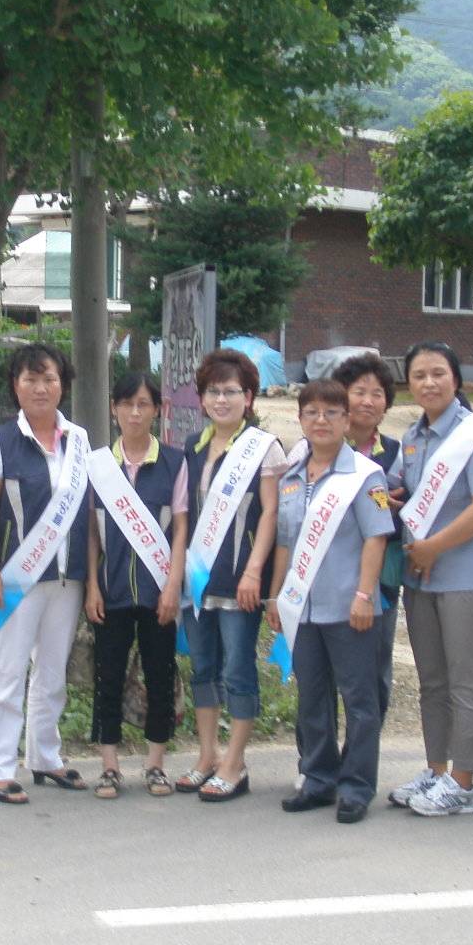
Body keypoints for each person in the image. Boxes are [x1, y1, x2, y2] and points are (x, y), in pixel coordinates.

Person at [269, 380, 397, 824]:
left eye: (331, 413)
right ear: (301, 420)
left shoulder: (365, 475)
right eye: (312, 413)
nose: (320, 421)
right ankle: (318, 778)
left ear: (346, 420)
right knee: (312, 698)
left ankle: (356, 786)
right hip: (302, 608)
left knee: (360, 699)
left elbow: (376, 537)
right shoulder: (291, 477)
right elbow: (285, 543)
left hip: (349, 607)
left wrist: (364, 595)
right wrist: (276, 594)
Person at [384, 341, 473, 820]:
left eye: (438, 373)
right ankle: (437, 771)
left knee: (465, 682)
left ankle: (465, 783)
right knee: (432, 682)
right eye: (419, 375)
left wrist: (433, 546)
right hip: (420, 579)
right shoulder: (412, 437)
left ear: (456, 378)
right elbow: (400, 491)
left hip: (464, 578)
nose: (428, 383)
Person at [0, 343, 91, 803]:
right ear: (15, 385)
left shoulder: (79, 440)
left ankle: (45, 756)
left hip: (67, 577)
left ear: (63, 384)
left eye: (49, 379)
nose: (41, 388)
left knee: (53, 673)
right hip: (16, 576)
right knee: (7, 670)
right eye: (31, 379)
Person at [177, 348, 284, 802]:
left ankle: (235, 763)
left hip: (240, 581)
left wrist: (254, 571)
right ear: (202, 398)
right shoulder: (193, 447)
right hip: (199, 580)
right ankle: (207, 755)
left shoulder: (264, 447)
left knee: (238, 669)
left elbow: (271, 514)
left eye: (231, 391)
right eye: (213, 391)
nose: (221, 400)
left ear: (249, 397)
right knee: (203, 669)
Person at [83, 371, 189, 799]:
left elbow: (180, 529)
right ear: (114, 409)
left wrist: (173, 585)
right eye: (127, 404)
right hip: (111, 592)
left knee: (159, 677)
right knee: (107, 677)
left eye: (143, 404)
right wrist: (92, 586)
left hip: (157, 592)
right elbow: (91, 532)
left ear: (157, 410)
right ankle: (109, 767)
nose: (134, 412)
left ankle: (155, 765)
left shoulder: (175, 463)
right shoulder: (98, 465)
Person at [330, 352, 405, 719]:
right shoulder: (322, 447)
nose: (368, 401)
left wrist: (391, 511)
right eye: (359, 391)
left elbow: (412, 509)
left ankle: (364, 745)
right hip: (328, 571)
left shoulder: (397, 454)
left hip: (380, 577)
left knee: (375, 663)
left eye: (377, 394)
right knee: (324, 668)